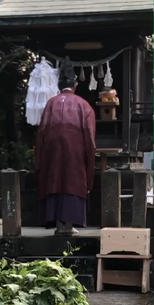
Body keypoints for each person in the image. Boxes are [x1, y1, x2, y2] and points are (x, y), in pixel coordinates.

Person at [35, 59, 96, 236]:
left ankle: (59, 226)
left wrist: (40, 160)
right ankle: (69, 225)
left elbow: (42, 132)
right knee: (72, 181)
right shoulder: (83, 105)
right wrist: (89, 159)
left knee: (54, 179)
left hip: (52, 152)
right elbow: (90, 136)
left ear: (59, 86)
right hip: (75, 151)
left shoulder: (50, 104)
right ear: (75, 85)